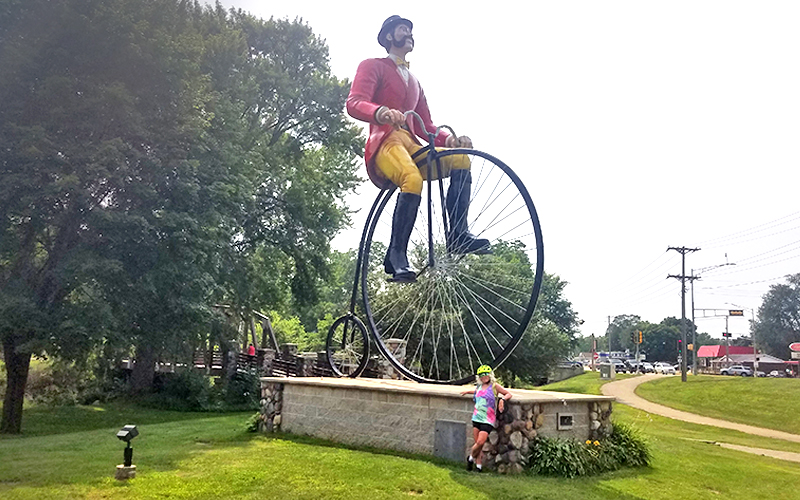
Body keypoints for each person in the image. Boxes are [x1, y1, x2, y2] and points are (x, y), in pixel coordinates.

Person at [347, 15, 490, 283]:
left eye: (410, 30)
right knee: (411, 178)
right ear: (390, 36)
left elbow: (427, 126)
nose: (409, 34)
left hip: (411, 144)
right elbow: (354, 102)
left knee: (461, 159)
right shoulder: (372, 66)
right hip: (386, 142)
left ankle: (457, 233)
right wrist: (381, 112)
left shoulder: (415, 82)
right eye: (403, 29)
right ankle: (396, 254)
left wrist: (449, 140)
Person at [460, 365, 512, 472]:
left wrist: (502, 400)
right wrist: (467, 392)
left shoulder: (494, 386)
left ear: (490, 375)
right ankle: (478, 467)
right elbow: (476, 392)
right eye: (482, 375)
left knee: (480, 442)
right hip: (476, 417)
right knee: (477, 444)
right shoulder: (479, 387)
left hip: (488, 418)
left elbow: (508, 394)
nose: (484, 377)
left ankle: (470, 458)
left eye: (486, 375)